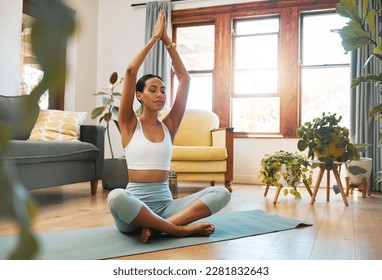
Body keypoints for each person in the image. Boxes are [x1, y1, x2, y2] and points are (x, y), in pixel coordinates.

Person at [107, 10, 231, 243]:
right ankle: (179, 230)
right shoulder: (128, 124)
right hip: (133, 211)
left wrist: (168, 41)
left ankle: (157, 228)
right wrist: (154, 38)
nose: (160, 94)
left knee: (222, 192)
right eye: (152, 90)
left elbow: (185, 79)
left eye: (163, 90)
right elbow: (131, 72)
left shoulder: (169, 125)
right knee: (115, 196)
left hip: (167, 207)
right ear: (139, 96)